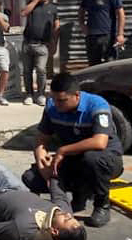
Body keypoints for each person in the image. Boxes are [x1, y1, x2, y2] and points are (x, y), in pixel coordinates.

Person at [21, 73, 124, 228]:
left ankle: (102, 205)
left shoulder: (97, 105)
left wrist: (62, 151)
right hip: (72, 158)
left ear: (76, 96)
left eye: (62, 100)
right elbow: (41, 140)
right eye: (54, 99)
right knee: (31, 178)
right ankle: (79, 195)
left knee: (92, 159)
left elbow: (100, 142)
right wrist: (42, 163)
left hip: (104, 159)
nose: (56, 104)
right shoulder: (52, 106)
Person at [20, 0, 59, 106]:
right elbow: (23, 13)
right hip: (28, 43)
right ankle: (29, 94)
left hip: (43, 44)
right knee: (27, 70)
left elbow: (56, 26)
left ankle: (41, 93)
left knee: (41, 70)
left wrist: (54, 43)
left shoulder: (53, 7)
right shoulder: (32, 4)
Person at [78, 0, 125, 66]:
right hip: (91, 36)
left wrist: (120, 34)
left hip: (107, 35)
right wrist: (82, 24)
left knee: (110, 65)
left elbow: (121, 14)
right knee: (93, 65)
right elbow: (81, 11)